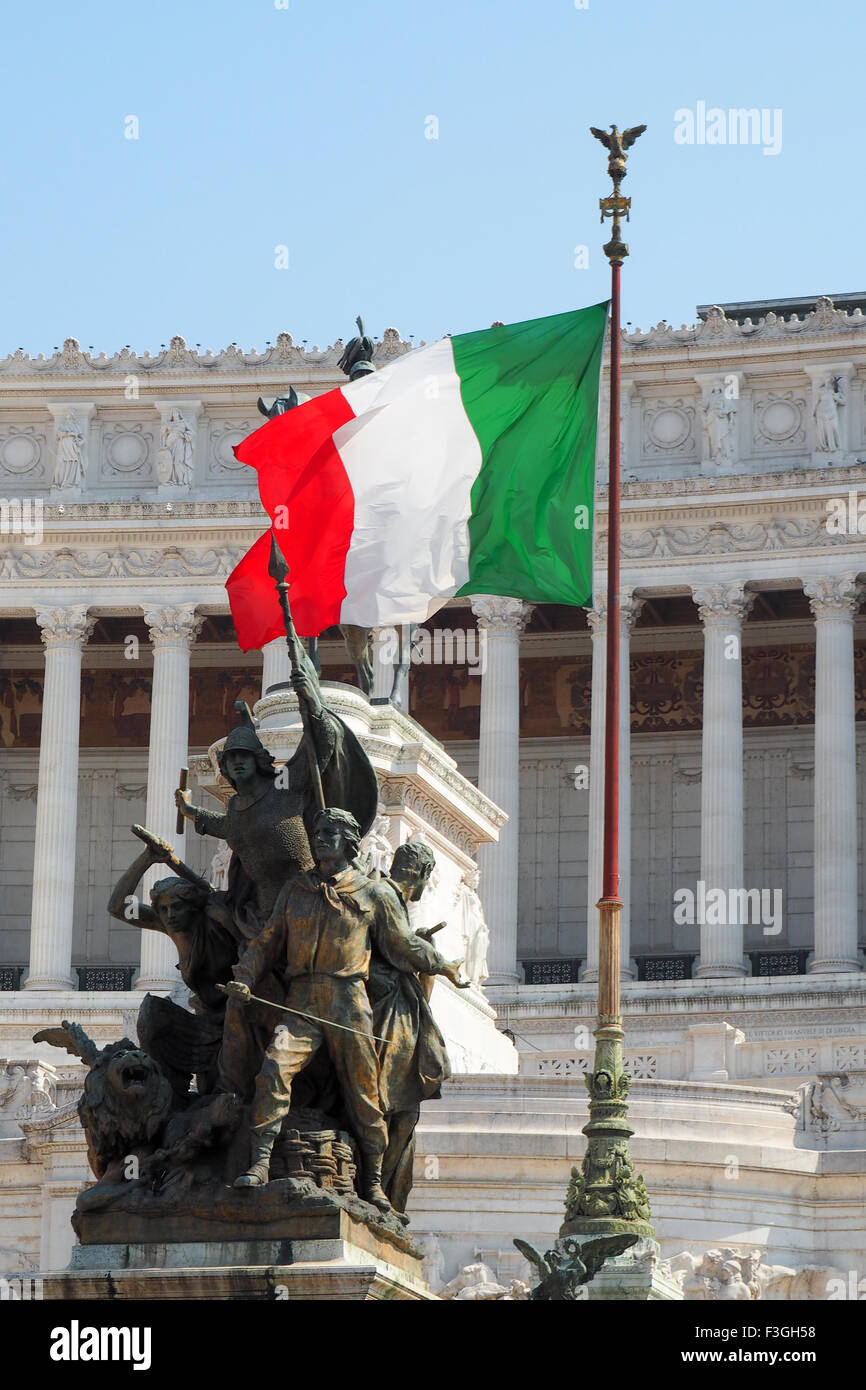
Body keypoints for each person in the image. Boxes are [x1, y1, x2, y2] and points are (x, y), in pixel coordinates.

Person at [222, 807, 466, 1212]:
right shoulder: (295, 890)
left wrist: (445, 966)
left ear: (350, 844)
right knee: (273, 1071)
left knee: (364, 1091)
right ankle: (261, 1163)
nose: (321, 839)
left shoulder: (374, 893)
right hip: (301, 999)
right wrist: (245, 978)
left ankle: (372, 1181)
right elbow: (266, 942)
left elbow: (404, 945)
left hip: (348, 1000)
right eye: (318, 832)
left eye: (331, 833)